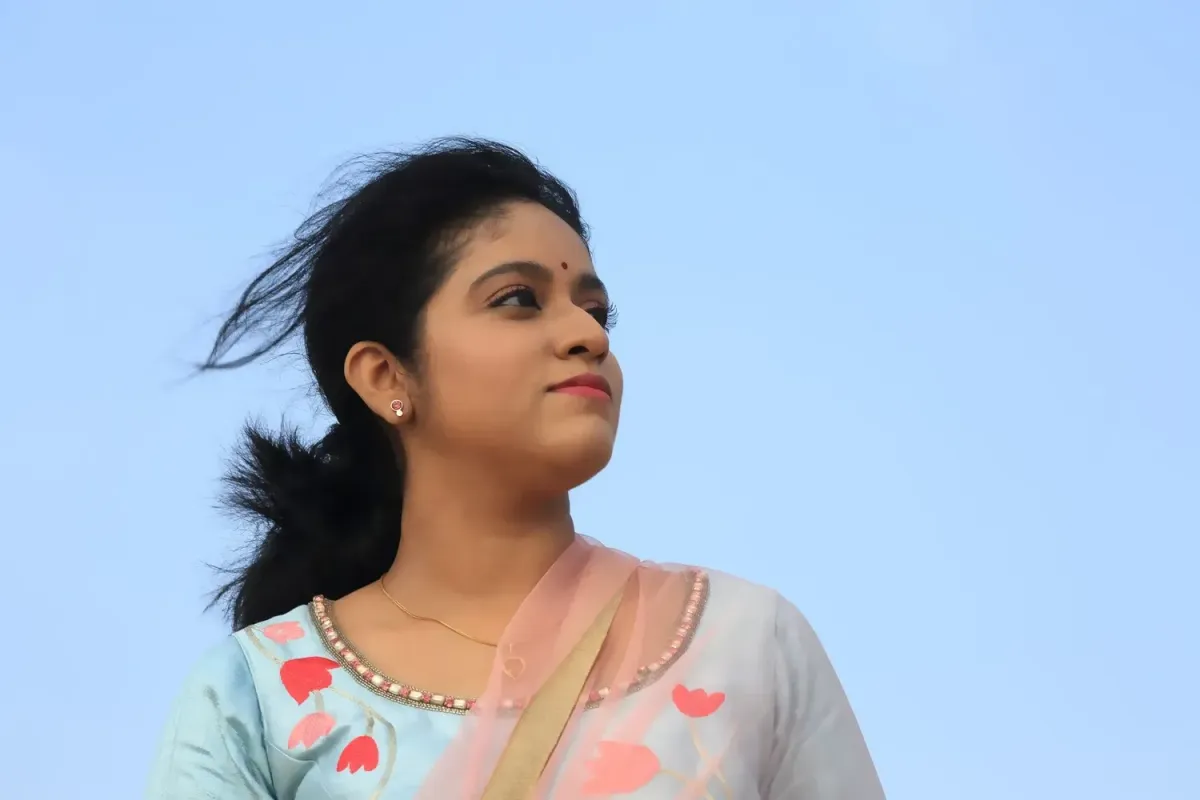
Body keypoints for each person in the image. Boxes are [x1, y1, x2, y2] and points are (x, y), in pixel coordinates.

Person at [146, 138, 885, 799]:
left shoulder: (743, 645)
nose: (587, 335)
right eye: (519, 300)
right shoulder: (256, 698)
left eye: (596, 311)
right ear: (385, 377)